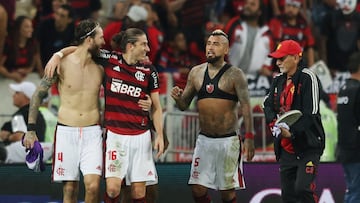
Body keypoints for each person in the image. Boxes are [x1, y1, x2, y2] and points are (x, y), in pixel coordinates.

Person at [43, 27, 164, 203]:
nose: (148, 49)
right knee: (113, 189)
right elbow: (81, 48)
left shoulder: (149, 70)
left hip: (140, 135)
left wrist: (159, 134)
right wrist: (58, 55)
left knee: (139, 193)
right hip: (115, 135)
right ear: (130, 46)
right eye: (144, 44)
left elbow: (157, 107)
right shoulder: (110, 59)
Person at [23, 19, 106, 203]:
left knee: (92, 187)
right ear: (89, 40)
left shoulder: (102, 66)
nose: (104, 42)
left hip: (92, 132)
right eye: (101, 37)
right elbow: (37, 94)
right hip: (66, 132)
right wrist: (30, 129)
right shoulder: (62, 64)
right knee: (70, 189)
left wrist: (59, 52)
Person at [171, 29, 255, 203]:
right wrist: (178, 98)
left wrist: (250, 137)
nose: (210, 47)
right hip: (204, 140)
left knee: (227, 193)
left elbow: (246, 107)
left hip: (228, 141)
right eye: (208, 43)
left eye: (216, 44)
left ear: (226, 50)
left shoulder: (235, 74)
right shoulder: (195, 72)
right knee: (197, 188)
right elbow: (183, 105)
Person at [263, 39, 325, 203]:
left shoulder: (308, 77)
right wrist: (273, 125)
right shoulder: (278, 80)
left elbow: (310, 113)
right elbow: (267, 105)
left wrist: (291, 132)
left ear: (296, 58)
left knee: (303, 189)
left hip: (307, 146)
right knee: (288, 197)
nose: (277, 62)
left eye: (282, 58)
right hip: (286, 150)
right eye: (277, 59)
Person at [336, 52, 360, 203]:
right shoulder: (358, 89)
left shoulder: (344, 88)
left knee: (352, 189)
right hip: (357, 150)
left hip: (345, 149)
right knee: (357, 191)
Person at [0, 15, 43, 82]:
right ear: (18, 28)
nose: (31, 29)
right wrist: (10, 75)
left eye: (31, 26)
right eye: (27, 27)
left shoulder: (32, 44)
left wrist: (28, 70)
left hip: (25, 78)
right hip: (8, 78)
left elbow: (35, 63)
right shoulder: (9, 43)